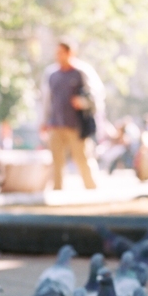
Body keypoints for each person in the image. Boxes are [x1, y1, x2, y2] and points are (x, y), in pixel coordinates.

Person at [40, 41, 105, 191]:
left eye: (61, 52)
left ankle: (92, 190)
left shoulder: (82, 71)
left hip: (76, 125)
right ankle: (57, 191)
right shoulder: (52, 74)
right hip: (55, 124)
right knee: (56, 161)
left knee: (82, 158)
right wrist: (43, 121)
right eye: (57, 53)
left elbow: (97, 95)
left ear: (70, 53)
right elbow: (46, 100)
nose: (58, 56)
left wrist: (83, 102)